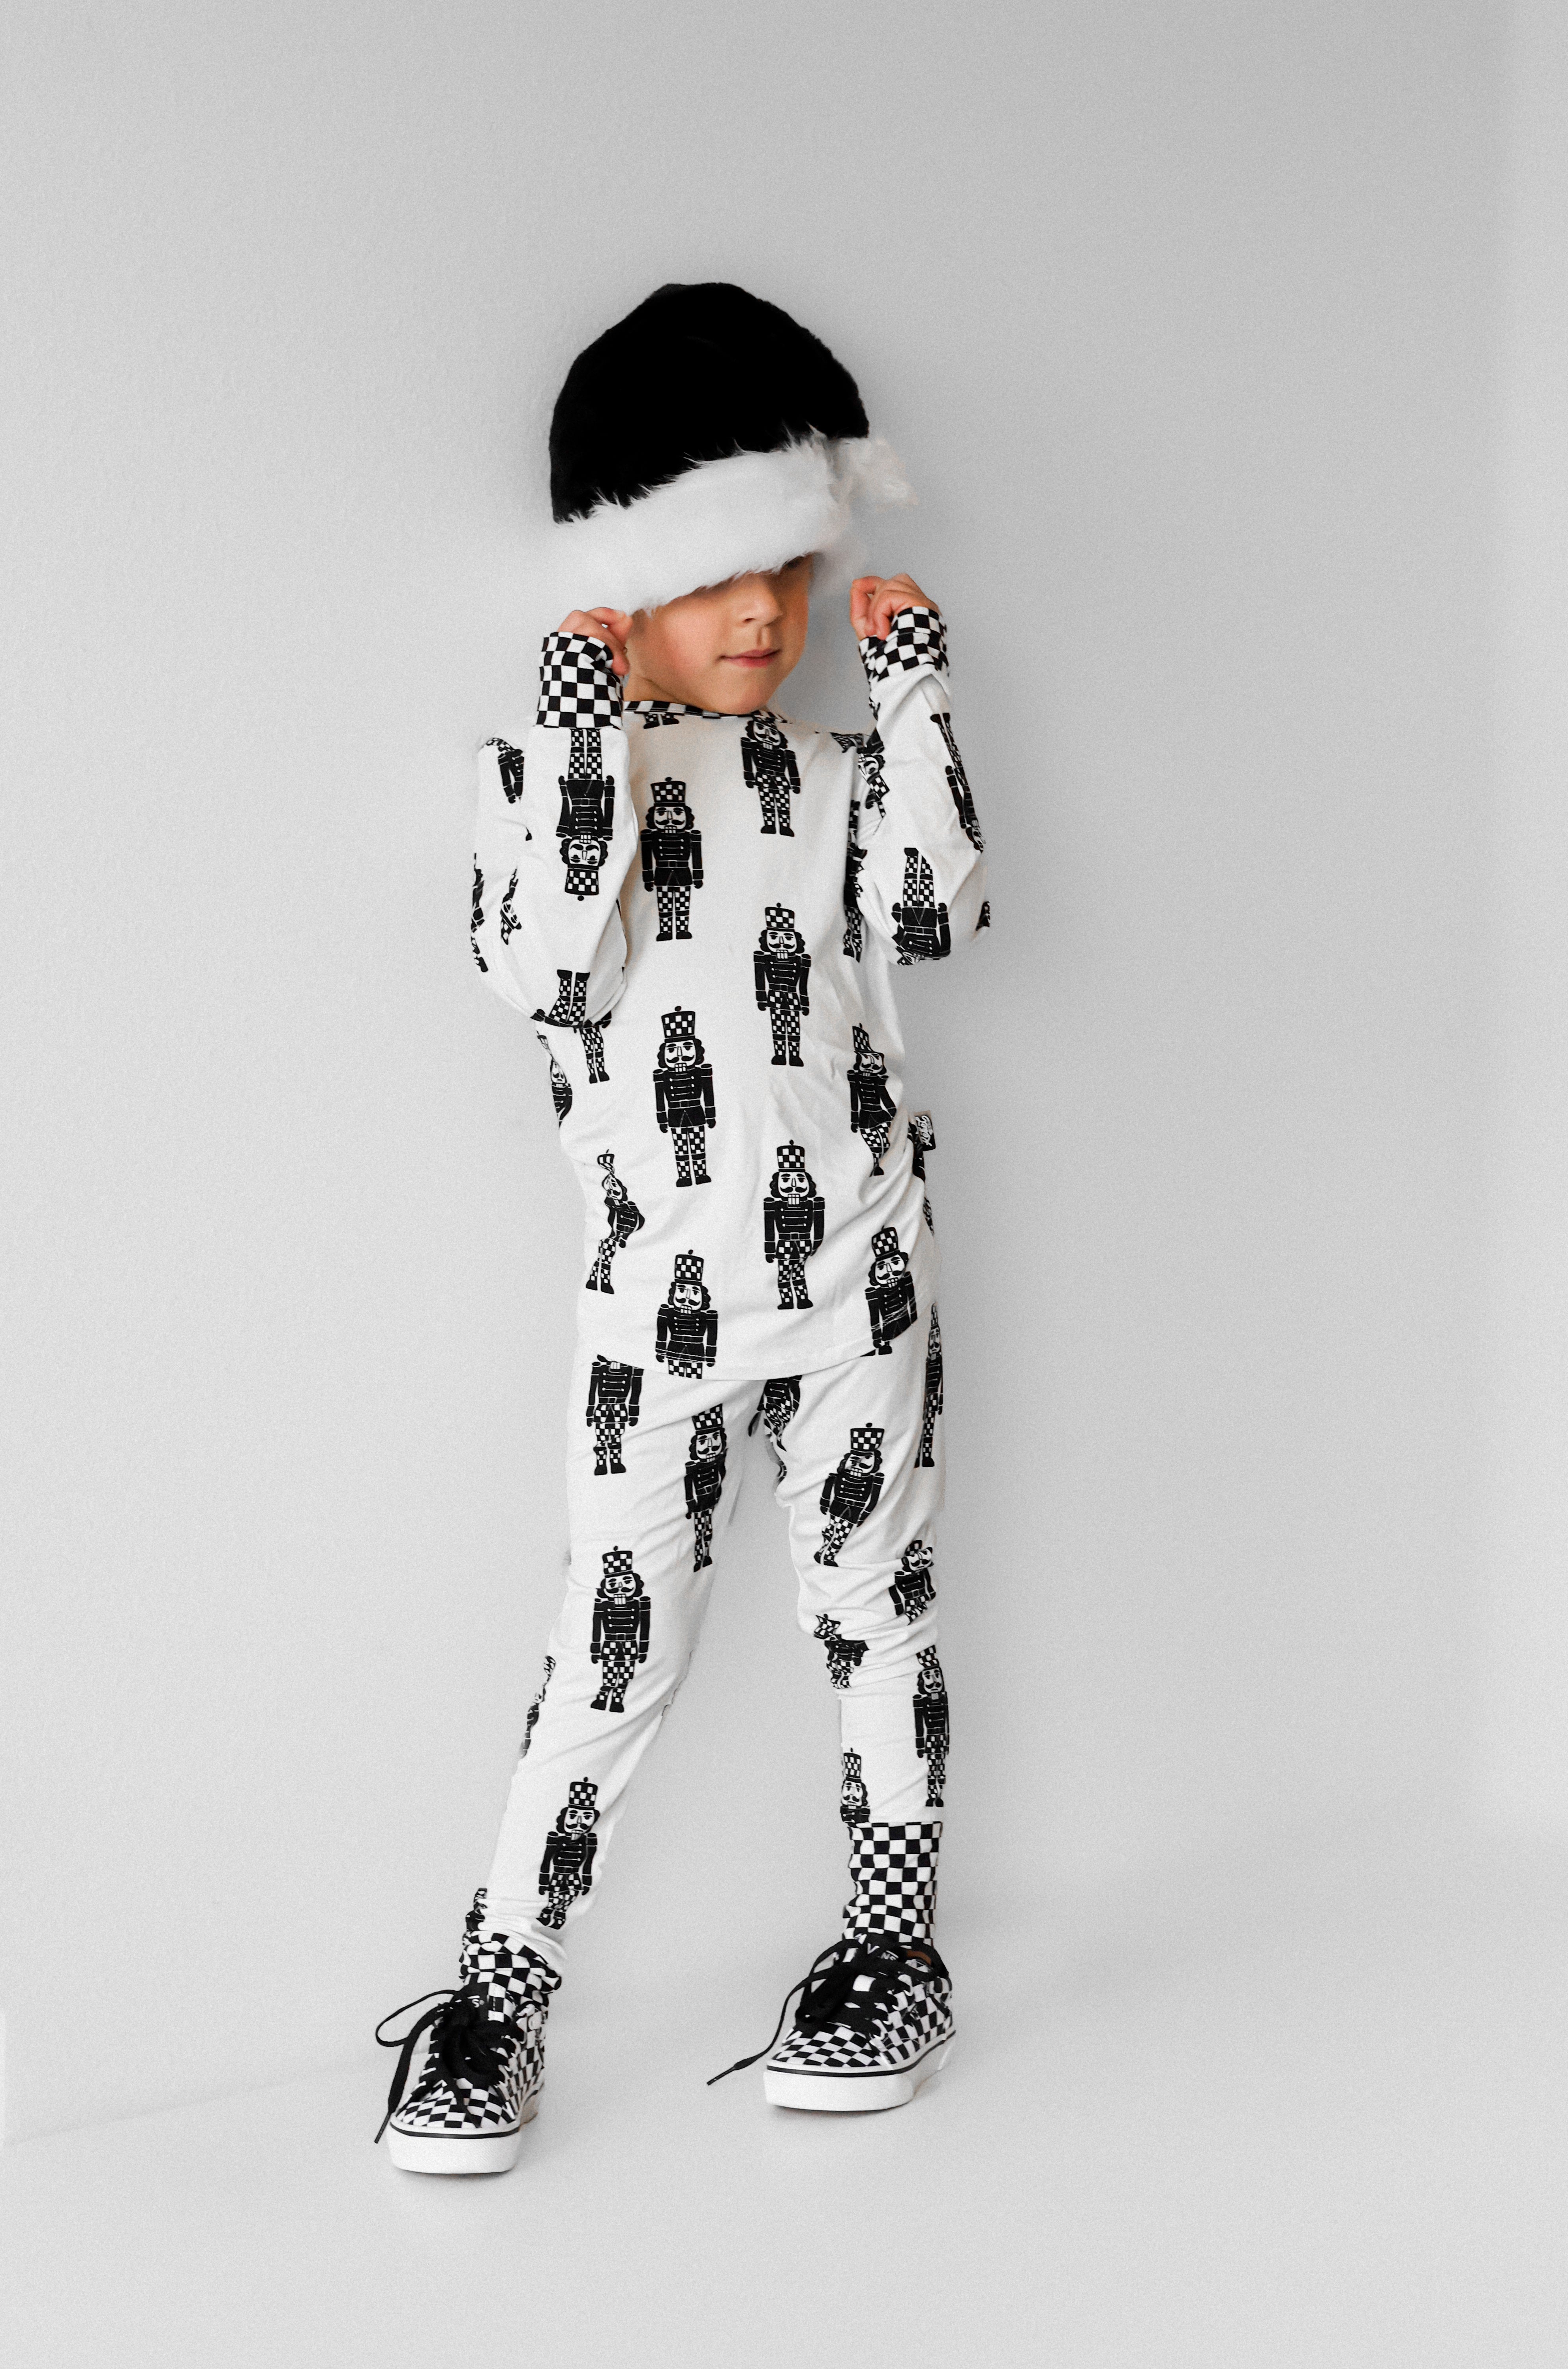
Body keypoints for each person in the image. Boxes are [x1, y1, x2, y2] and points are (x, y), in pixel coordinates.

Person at [376, 283, 989, 2174]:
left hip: (856, 1269)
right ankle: (497, 1995)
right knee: (608, 1650)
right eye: (720, 573)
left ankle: (892, 1948)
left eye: (788, 571)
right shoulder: (538, 774)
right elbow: (554, 969)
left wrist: (912, 696)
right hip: (659, 1308)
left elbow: (936, 913)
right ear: (626, 577)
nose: (764, 616)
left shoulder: (827, 776)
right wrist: (582, 749)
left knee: (875, 1610)